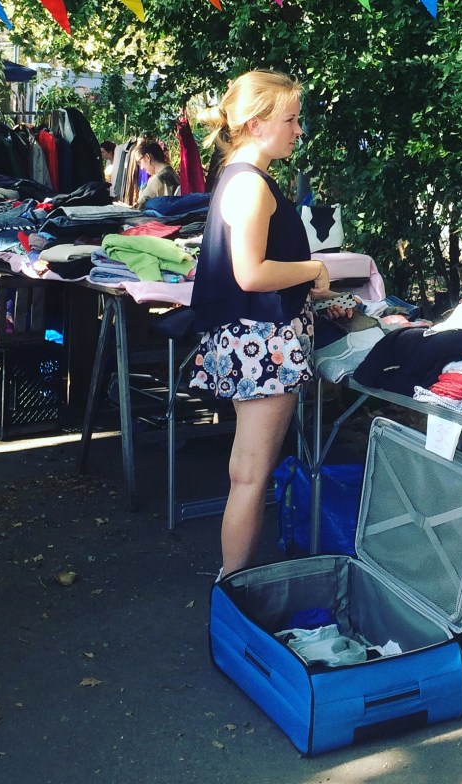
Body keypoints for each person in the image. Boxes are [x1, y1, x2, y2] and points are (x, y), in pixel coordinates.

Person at [188, 70, 338, 577]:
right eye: (290, 120)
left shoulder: (236, 176)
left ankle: (232, 584)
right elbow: (250, 273)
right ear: (255, 124)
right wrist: (313, 269)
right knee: (251, 475)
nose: (298, 130)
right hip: (263, 343)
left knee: (244, 471)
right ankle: (233, 586)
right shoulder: (252, 185)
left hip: (249, 339)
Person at [134, 137, 180, 204]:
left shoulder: (156, 180)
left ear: (147, 157)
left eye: (139, 162)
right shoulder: (172, 173)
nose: (141, 168)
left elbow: (141, 206)